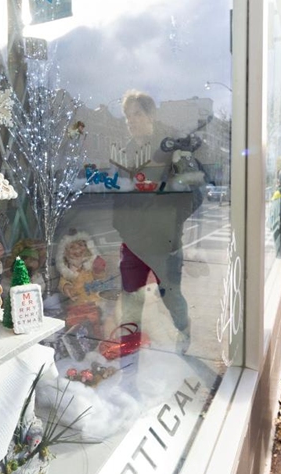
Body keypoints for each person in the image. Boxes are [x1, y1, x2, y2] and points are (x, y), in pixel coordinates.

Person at [112, 89, 197, 354]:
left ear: (150, 115)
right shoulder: (124, 152)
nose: (131, 120)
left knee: (171, 296)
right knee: (130, 301)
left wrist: (169, 219)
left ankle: (183, 330)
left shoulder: (169, 148)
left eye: (137, 113)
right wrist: (123, 224)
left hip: (164, 242)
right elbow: (117, 193)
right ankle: (129, 352)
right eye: (127, 115)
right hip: (133, 243)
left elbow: (194, 193)